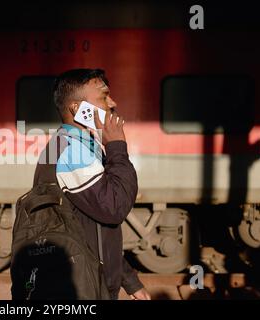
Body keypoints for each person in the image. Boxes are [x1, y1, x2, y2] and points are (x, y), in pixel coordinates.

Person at [33, 68, 151, 300]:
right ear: (78, 109)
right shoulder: (71, 152)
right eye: (104, 96)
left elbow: (94, 229)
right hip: (82, 289)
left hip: (89, 281)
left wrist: (129, 280)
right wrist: (117, 146)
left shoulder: (78, 146)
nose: (113, 103)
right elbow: (113, 209)